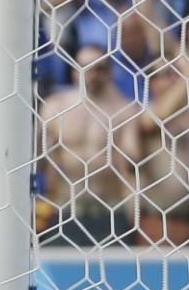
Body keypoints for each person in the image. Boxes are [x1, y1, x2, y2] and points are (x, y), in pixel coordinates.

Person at [39, 46, 140, 245]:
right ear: (74, 72)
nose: (92, 74)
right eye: (85, 67)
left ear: (109, 72)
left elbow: (131, 166)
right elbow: (36, 160)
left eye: (99, 68)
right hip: (64, 209)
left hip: (109, 211)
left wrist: (132, 213)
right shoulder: (55, 106)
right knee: (59, 275)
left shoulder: (124, 110)